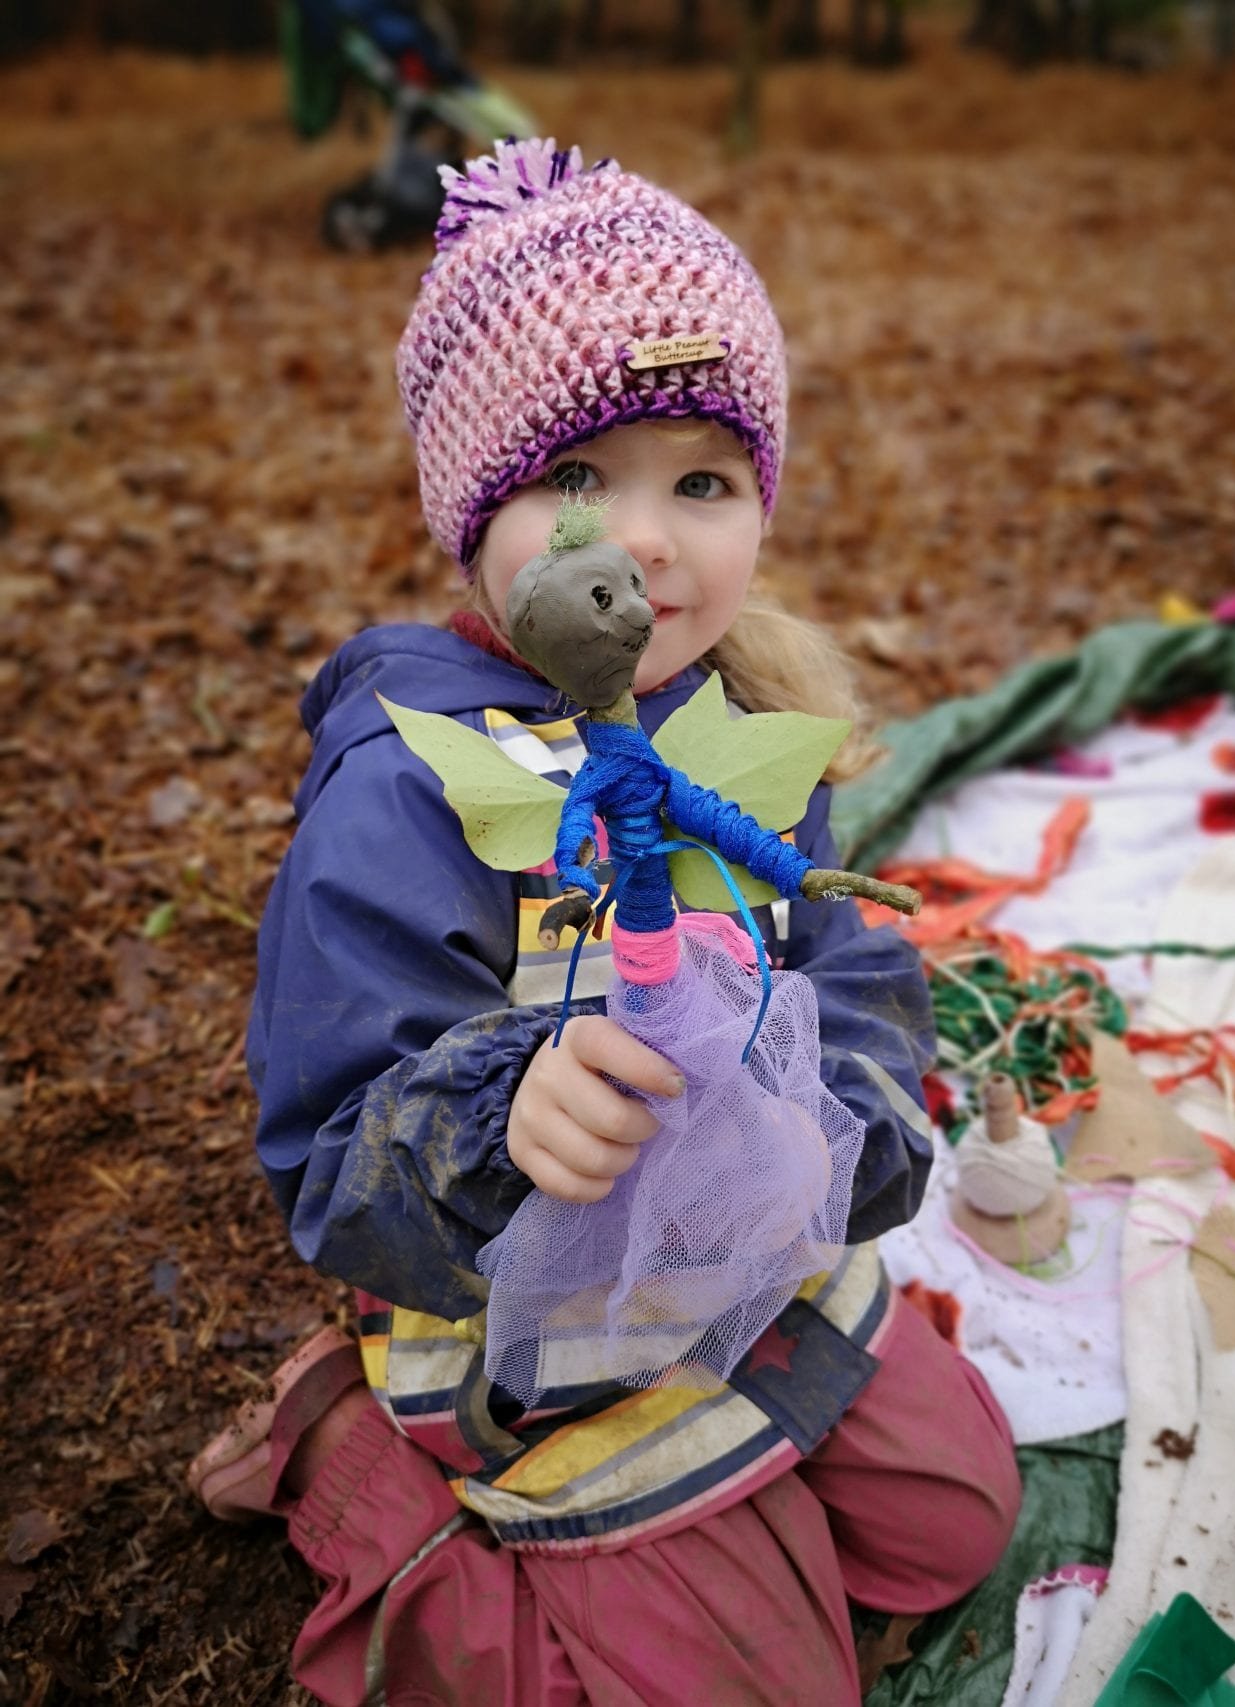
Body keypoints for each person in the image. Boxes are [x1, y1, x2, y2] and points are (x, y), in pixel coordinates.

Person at [189, 137, 1021, 1706]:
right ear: (475, 510)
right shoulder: (409, 788)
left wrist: (839, 1116)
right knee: (762, 1686)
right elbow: (329, 1158)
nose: (644, 543)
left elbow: (848, 966)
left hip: (741, 1252)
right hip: (521, 1309)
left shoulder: (736, 722)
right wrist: (510, 1115)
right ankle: (353, 1465)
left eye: (700, 482)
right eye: (578, 480)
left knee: (952, 1522)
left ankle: (738, 1495)